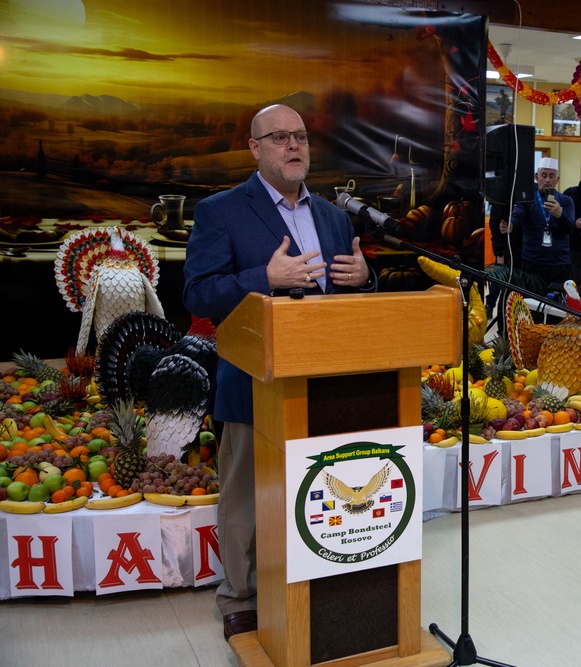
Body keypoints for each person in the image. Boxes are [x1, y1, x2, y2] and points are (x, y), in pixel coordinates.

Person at [183, 104, 377, 641]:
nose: (293, 146)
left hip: (329, 383)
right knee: (246, 492)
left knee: (325, 485)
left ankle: (318, 575)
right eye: (279, 138)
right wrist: (262, 277)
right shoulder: (221, 211)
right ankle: (240, 595)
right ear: (255, 148)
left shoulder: (335, 217)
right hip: (252, 383)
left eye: (300, 137)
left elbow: (352, 291)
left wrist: (365, 277)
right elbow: (197, 292)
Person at [498, 157, 575, 288]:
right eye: (543, 175)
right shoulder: (528, 200)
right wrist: (510, 225)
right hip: (532, 263)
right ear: (536, 177)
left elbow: (570, 229)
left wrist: (559, 215)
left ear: (557, 180)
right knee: (531, 305)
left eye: (552, 176)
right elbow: (517, 215)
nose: (547, 180)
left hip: (560, 264)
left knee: (559, 306)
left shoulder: (566, 201)